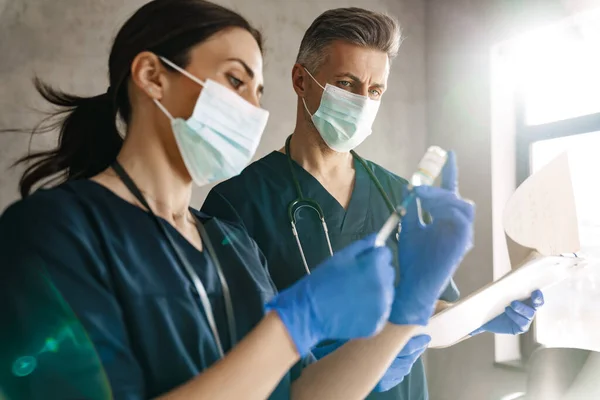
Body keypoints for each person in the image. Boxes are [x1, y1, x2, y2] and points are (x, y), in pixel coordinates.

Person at [0, 1, 476, 399]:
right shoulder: (55, 233)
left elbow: (302, 393)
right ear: (152, 75)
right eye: (235, 80)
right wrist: (295, 324)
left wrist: (406, 316)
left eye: (257, 89)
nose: (252, 108)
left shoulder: (227, 244)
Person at [202, 7, 544, 400]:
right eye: (347, 84)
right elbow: (236, 353)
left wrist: (484, 315)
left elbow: (430, 308)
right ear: (301, 80)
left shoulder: (397, 194)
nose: (362, 102)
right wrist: (355, 361)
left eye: (375, 90)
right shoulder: (238, 204)